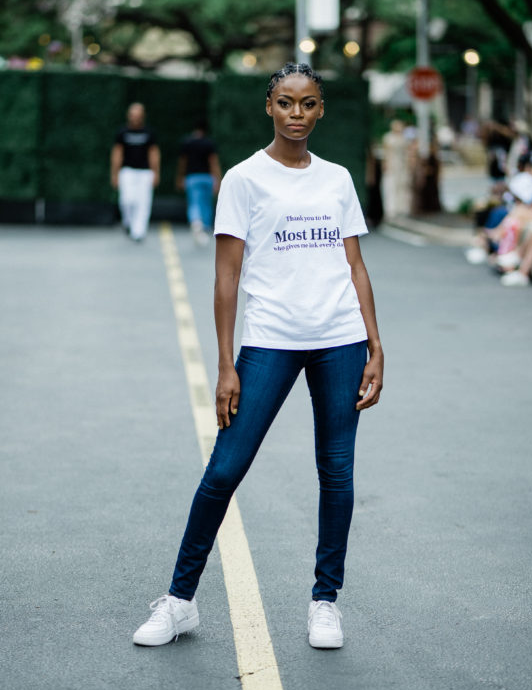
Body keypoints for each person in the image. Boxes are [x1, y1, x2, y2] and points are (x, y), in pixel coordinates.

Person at [133, 63, 384, 650]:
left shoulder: (338, 179)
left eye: (309, 104)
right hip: (269, 340)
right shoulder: (244, 179)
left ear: (321, 110)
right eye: (286, 103)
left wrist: (374, 344)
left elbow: (355, 266)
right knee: (224, 468)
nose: (297, 113)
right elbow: (227, 278)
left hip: (339, 339)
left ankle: (326, 601)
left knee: (337, 472)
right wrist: (226, 363)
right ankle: (179, 602)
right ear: (268, 106)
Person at [110, 103, 160, 242]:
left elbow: (154, 153)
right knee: (127, 200)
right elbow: (117, 153)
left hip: (145, 172)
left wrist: (156, 172)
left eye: (138, 115)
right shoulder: (122, 132)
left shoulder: (149, 133)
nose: (135, 118)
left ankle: (138, 232)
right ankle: (128, 222)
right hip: (127, 171)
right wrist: (114, 173)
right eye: (133, 115)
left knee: (143, 203)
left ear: (142, 116)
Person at [176, 121, 222, 245]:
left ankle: (196, 222)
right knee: (206, 203)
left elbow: (183, 162)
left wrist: (180, 177)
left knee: (194, 202)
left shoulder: (187, 142)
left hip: (192, 177)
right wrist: (217, 179)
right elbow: (213, 162)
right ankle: (206, 227)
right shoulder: (209, 143)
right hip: (207, 177)